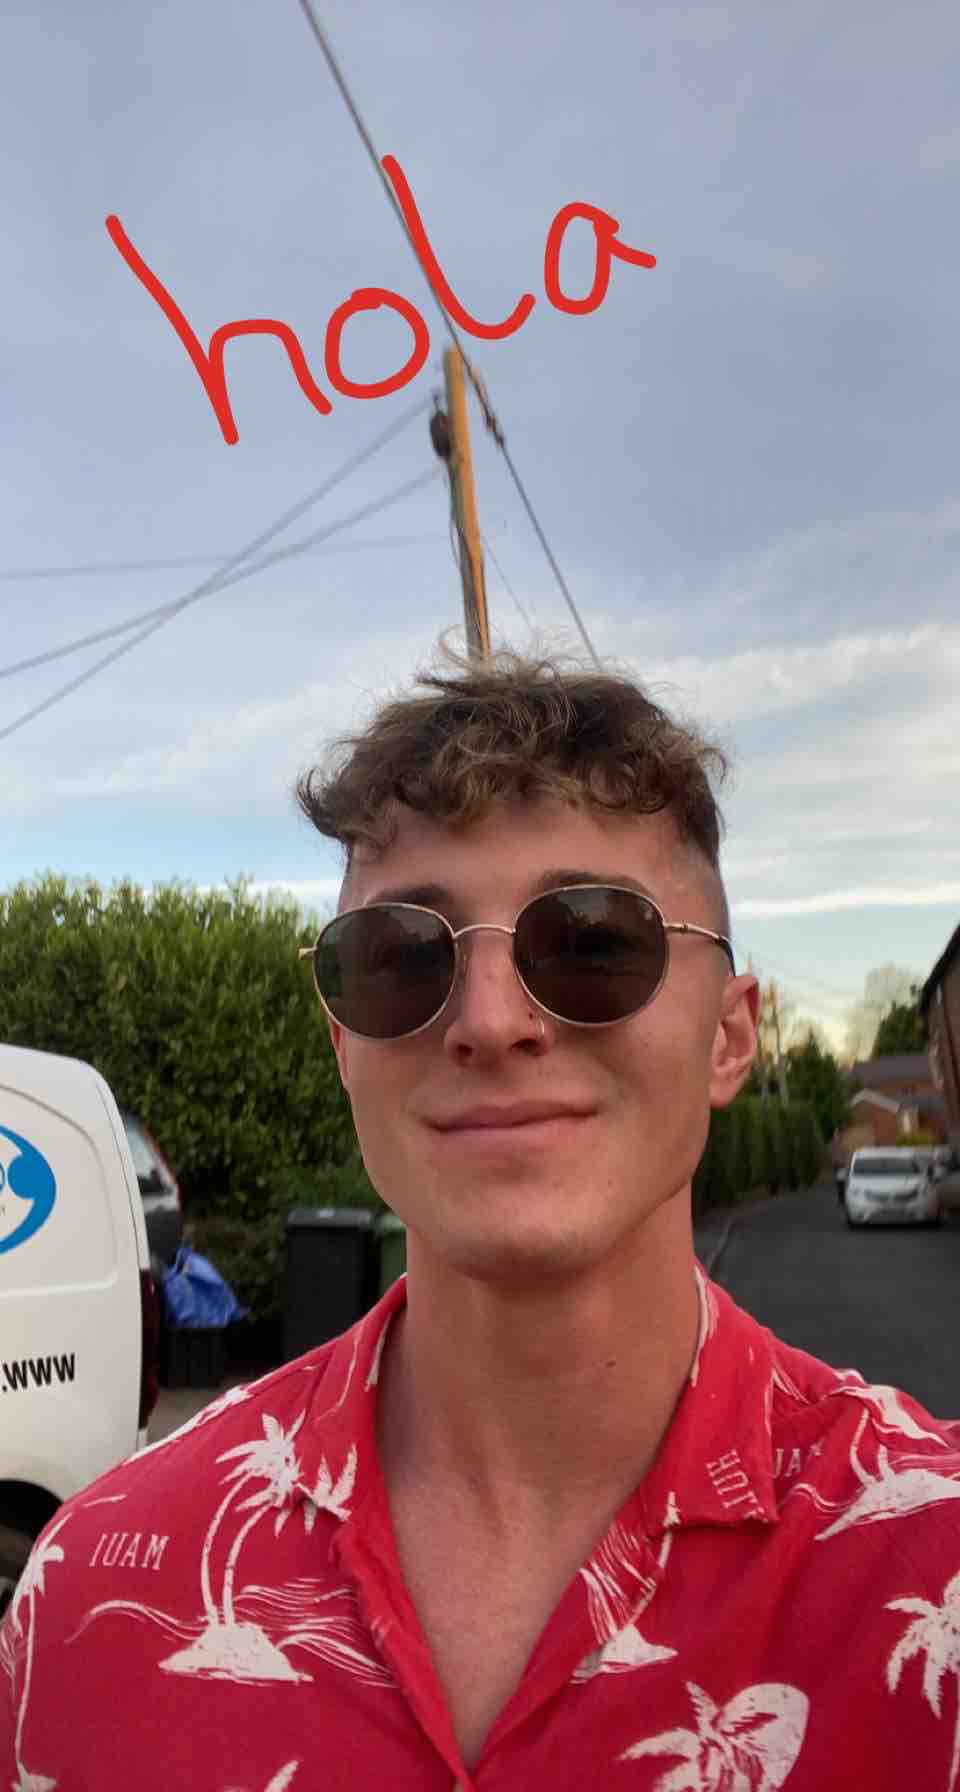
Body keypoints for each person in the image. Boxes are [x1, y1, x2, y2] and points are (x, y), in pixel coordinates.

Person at [3, 648, 959, 1792]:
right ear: (341, 1042)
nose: (492, 1020)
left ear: (730, 1033)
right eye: (402, 956)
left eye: (593, 940)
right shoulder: (97, 1592)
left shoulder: (931, 1568)